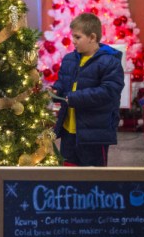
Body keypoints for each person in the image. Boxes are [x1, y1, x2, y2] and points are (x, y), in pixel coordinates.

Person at [51, 13, 125, 166]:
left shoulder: (110, 62)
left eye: (78, 37)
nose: (73, 41)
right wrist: (54, 91)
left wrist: (74, 98)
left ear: (92, 37)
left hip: (94, 134)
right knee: (69, 177)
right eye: (73, 36)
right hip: (69, 132)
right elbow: (62, 84)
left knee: (93, 179)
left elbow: (108, 92)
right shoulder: (69, 59)